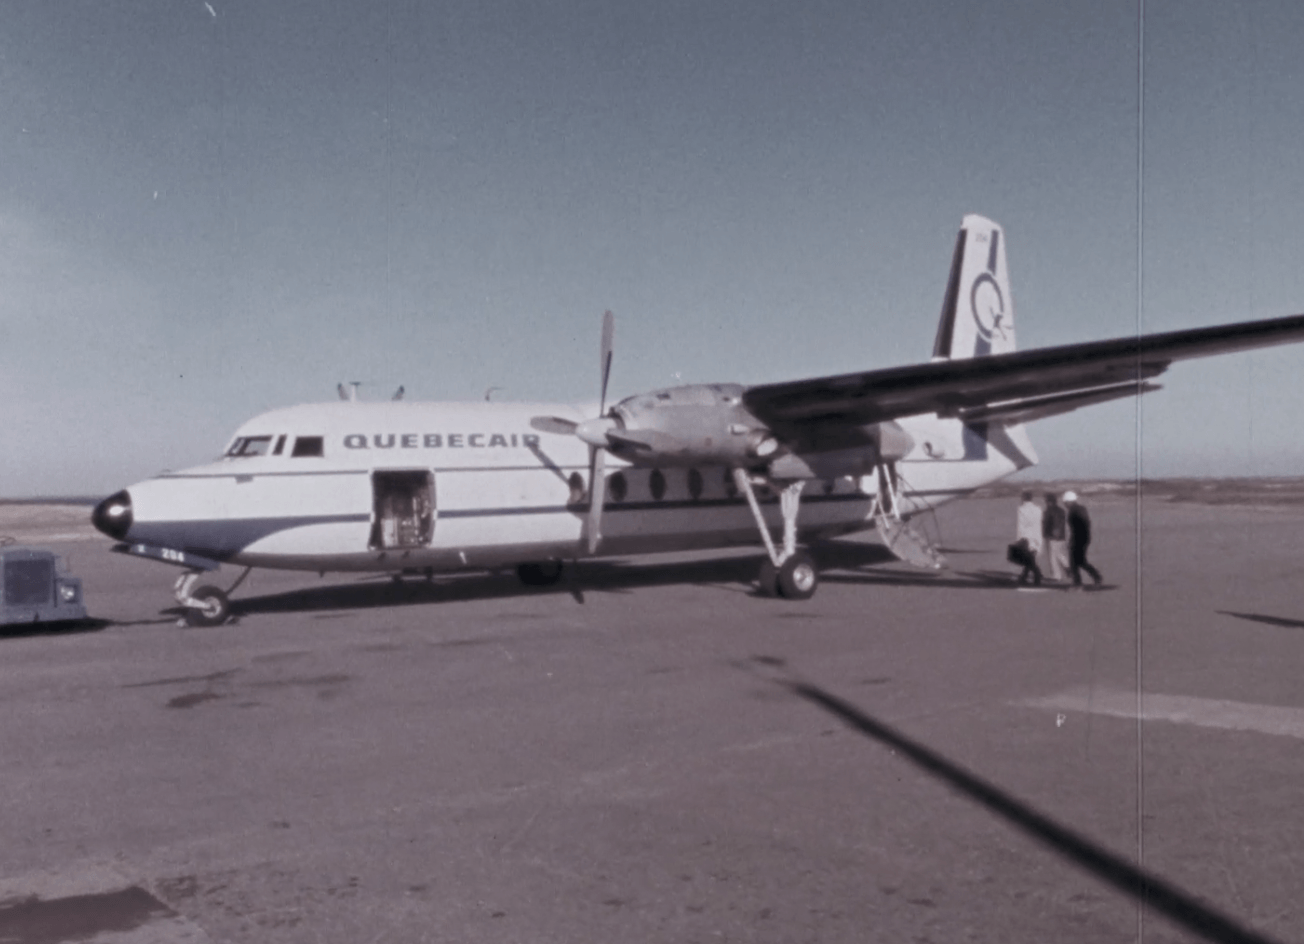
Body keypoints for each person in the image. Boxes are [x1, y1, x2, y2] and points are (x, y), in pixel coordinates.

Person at [1064, 491, 1102, 588]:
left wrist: (1072, 541)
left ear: (1069, 501)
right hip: (1085, 538)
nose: (1064, 505)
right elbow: (1086, 524)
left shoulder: (1073, 511)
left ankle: (1077, 583)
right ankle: (1096, 576)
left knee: (1074, 562)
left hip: (1078, 539)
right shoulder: (1082, 508)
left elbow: (1076, 528)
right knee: (1081, 561)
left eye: (1065, 502)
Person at [1011, 491, 1043, 585]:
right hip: (1036, 535)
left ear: (1023, 498)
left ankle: (1037, 575)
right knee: (1030, 558)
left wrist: (1019, 539)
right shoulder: (1038, 509)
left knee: (1029, 559)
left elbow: (1021, 525)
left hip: (1026, 537)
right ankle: (1024, 577)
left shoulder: (1021, 509)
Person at [1042, 492, 1068, 581]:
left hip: (1052, 537)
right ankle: (1068, 567)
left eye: (1046, 501)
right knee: (1060, 554)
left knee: (1053, 557)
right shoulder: (1062, 510)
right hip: (1062, 536)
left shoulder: (1048, 511)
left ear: (1049, 501)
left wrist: (1046, 534)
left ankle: (1057, 575)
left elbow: (1047, 524)